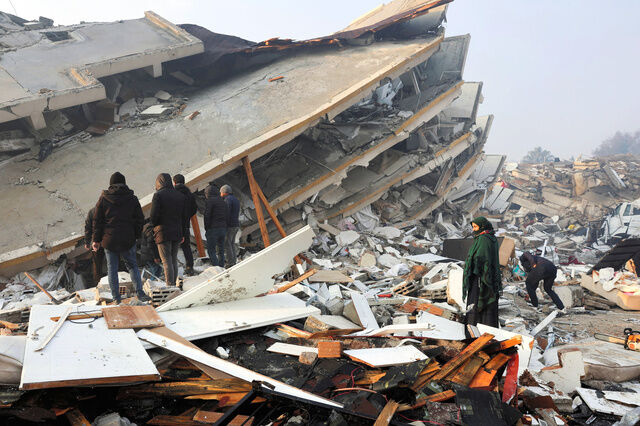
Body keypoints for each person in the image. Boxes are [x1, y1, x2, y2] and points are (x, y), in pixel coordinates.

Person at [92, 172, 149, 303]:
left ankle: (116, 298)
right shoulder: (132, 198)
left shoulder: (104, 198)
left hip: (109, 239)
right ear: (124, 183)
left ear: (111, 184)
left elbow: (97, 220)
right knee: (132, 266)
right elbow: (140, 219)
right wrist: (135, 235)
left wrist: (96, 240)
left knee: (112, 268)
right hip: (127, 238)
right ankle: (140, 294)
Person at [462, 217, 502, 328]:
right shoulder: (491, 238)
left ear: (482, 226)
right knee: (488, 302)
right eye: (473, 227)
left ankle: (473, 328)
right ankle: (488, 328)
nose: (474, 229)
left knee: (477, 301)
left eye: (476, 227)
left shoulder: (483, 239)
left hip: (480, 277)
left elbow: (480, 257)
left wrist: (471, 265)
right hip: (488, 277)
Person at [150, 173, 188, 287]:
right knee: (173, 259)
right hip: (177, 231)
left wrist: (154, 225)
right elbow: (183, 216)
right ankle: (174, 284)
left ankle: (170, 285)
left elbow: (153, 216)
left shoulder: (158, 195)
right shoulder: (179, 195)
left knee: (166, 261)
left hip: (162, 231)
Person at [173, 174, 197, 275]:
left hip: (174, 223)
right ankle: (189, 266)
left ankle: (172, 271)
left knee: (172, 247)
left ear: (174, 182)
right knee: (186, 246)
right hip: (185, 224)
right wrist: (187, 216)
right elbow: (194, 209)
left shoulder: (173, 193)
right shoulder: (189, 194)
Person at [204, 185, 227, 267]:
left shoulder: (210, 201)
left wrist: (207, 228)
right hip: (223, 228)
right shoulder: (223, 201)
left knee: (211, 250)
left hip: (213, 229)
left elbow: (207, 215)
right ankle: (221, 267)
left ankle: (217, 268)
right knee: (221, 249)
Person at [84, 206, 104, 286]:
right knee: (113, 264)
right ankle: (116, 284)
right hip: (108, 242)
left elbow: (88, 228)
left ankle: (98, 285)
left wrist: (87, 242)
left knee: (97, 265)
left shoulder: (92, 211)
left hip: (96, 242)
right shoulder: (110, 209)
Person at [220, 184, 240, 267]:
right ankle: (234, 260)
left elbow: (226, 213)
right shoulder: (235, 199)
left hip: (230, 225)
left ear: (224, 192)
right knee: (231, 243)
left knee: (227, 244)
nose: (220, 194)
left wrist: (223, 224)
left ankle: (230, 263)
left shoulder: (227, 200)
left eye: (221, 192)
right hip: (235, 224)